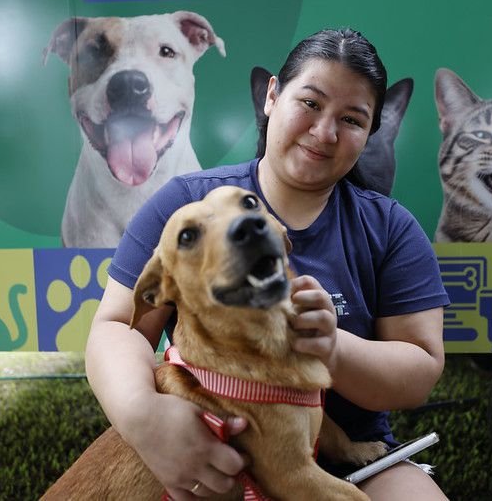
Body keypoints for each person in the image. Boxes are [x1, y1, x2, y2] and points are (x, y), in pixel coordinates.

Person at [85, 28, 450, 500]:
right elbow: (119, 325)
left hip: (350, 458)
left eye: (353, 119)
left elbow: (419, 370)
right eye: (310, 103)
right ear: (272, 96)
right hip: (214, 456)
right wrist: (144, 416)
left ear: (369, 134)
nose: (325, 132)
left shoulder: (389, 228)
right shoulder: (185, 205)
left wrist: (332, 346)